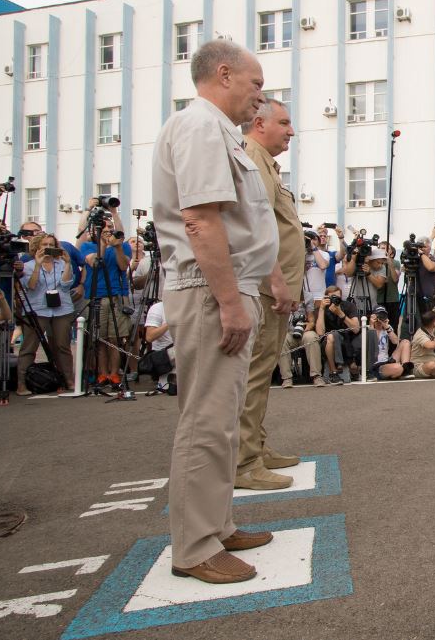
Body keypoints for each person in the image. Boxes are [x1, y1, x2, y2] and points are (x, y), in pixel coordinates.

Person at [152, 39, 282, 584]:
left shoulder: (215, 129)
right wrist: (230, 301)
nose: (260, 97)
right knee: (206, 419)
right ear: (223, 75)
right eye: (255, 85)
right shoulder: (201, 127)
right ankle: (196, 546)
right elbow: (202, 220)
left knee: (222, 419)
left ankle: (215, 523)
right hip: (210, 291)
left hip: (226, 287)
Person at [235, 98, 304, 492]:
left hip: (274, 286)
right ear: (259, 123)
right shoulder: (253, 156)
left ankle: (256, 448)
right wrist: (277, 280)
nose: (290, 131)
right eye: (284, 122)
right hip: (265, 286)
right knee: (254, 374)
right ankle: (243, 461)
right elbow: (255, 223)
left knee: (261, 375)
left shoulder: (267, 162)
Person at [17, 234, 75, 394]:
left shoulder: (61, 263)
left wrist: (69, 263)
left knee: (62, 346)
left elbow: (65, 285)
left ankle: (68, 380)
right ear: (37, 246)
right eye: (44, 245)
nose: (47, 247)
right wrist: (37, 264)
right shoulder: (27, 265)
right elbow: (32, 286)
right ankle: (22, 383)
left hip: (62, 309)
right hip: (37, 309)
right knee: (29, 346)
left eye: (51, 244)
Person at [79, 224, 133, 387]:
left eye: (109, 228)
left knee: (115, 338)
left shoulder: (122, 246)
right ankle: (102, 374)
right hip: (96, 296)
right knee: (100, 339)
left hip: (116, 295)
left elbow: (124, 266)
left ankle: (114, 373)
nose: (107, 231)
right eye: (103, 229)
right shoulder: (87, 246)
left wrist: (116, 247)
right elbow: (95, 262)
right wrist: (103, 243)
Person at [316, 285, 360, 384]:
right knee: (332, 335)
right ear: (327, 298)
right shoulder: (322, 308)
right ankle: (333, 372)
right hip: (328, 342)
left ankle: (359, 369)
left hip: (347, 340)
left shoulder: (349, 306)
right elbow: (320, 332)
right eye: (332, 297)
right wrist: (322, 309)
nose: (335, 300)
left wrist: (340, 313)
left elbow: (356, 329)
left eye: (337, 297)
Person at [364, 306, 411, 380]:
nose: (380, 317)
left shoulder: (387, 328)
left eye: (383, 315)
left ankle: (405, 371)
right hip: (375, 365)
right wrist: (372, 325)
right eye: (379, 315)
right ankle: (396, 371)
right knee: (398, 368)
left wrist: (387, 327)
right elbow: (373, 347)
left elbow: (395, 342)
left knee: (405, 342)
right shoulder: (367, 329)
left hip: (387, 361)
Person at [144, 300, 176, 394]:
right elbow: (149, 337)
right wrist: (169, 323)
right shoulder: (158, 308)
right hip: (164, 355)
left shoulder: (189, 305)